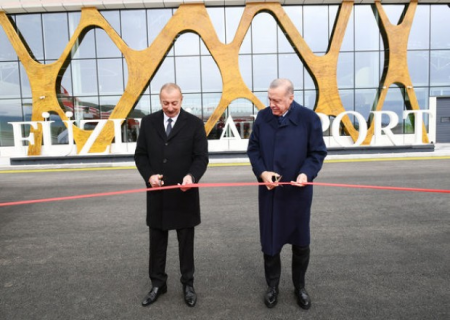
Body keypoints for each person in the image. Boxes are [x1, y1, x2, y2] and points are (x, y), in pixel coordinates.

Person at [247, 78, 327, 310]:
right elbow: (253, 150)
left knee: (301, 243)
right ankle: (272, 287)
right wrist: (262, 172)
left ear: (291, 98)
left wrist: (306, 173)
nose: (272, 104)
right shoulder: (263, 118)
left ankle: (299, 287)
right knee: (270, 244)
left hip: (298, 194)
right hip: (270, 195)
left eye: (277, 100)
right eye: (270, 99)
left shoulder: (308, 119)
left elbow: (317, 153)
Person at [134, 83, 209, 308]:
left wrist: (192, 177)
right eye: (165, 103)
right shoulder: (148, 123)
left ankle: (188, 284)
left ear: (181, 100)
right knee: (157, 243)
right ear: (160, 101)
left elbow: (201, 158)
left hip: (184, 195)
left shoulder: (195, 124)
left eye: (174, 103)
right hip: (157, 195)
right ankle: (158, 284)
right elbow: (141, 155)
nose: (170, 107)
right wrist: (149, 177)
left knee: (186, 243)